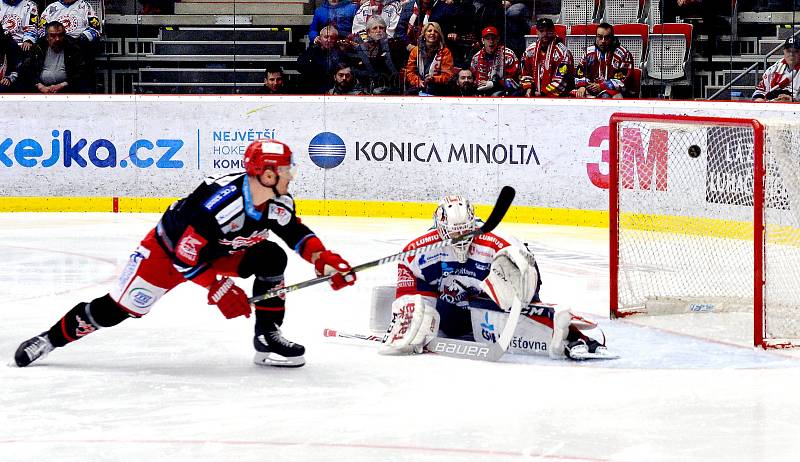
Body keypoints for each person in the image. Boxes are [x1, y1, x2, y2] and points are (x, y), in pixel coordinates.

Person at [14, 139, 357, 369]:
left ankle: (266, 336)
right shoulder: (220, 204)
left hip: (221, 251)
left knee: (271, 257)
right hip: (166, 253)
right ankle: (50, 339)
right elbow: (183, 257)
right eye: (285, 170)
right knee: (120, 308)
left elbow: (293, 230)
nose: (291, 176)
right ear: (266, 173)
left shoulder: (278, 199)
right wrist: (217, 288)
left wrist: (323, 258)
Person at [379, 195, 609, 359]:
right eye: (454, 232)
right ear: (440, 230)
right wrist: (411, 311)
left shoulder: (495, 243)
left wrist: (520, 280)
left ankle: (576, 337)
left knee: (510, 310)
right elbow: (409, 285)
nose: (461, 237)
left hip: (487, 302)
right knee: (435, 313)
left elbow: (526, 267)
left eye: (465, 230)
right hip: (455, 310)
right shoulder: (420, 251)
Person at [20, 21, 88, 93]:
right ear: (47, 37)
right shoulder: (38, 47)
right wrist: (39, 85)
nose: (57, 39)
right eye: (53, 36)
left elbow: (81, 73)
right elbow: (27, 71)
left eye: (60, 35)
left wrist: (62, 85)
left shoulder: (73, 47)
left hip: (67, 90)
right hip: (40, 90)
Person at [572, 23, 634, 99]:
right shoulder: (588, 52)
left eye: (607, 38)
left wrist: (602, 86)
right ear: (596, 37)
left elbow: (623, 81)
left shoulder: (623, 54)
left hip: (615, 92)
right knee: (577, 94)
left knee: (606, 96)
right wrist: (582, 86)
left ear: (612, 38)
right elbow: (580, 74)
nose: (603, 41)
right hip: (592, 89)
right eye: (600, 37)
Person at [519, 17, 574, 97]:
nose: (545, 34)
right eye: (542, 31)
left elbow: (561, 80)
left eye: (548, 31)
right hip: (535, 95)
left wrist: (542, 94)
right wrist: (528, 88)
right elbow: (525, 73)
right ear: (537, 32)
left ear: (554, 31)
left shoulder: (562, 52)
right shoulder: (529, 51)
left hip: (558, 96)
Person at [350, 16, 401, 94]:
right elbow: (355, 70)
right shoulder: (360, 49)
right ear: (368, 32)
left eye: (381, 28)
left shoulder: (394, 45)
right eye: (375, 28)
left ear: (385, 30)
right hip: (367, 89)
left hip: (391, 89)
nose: (378, 31)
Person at [403, 21, 454, 95]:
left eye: (436, 31)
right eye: (429, 31)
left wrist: (433, 79)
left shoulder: (445, 52)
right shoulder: (415, 51)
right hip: (418, 86)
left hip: (438, 87)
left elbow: (448, 75)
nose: (432, 33)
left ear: (439, 35)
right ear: (424, 34)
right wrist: (417, 81)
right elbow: (410, 72)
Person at [469, 25, 519, 96]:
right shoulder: (476, 58)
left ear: (498, 39)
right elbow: (473, 78)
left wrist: (494, 83)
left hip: (504, 92)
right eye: (487, 39)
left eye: (493, 38)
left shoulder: (508, 55)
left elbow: (515, 81)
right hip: (481, 92)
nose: (491, 41)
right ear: (483, 40)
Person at [297, 25, 346, 93]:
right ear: (320, 38)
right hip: (313, 88)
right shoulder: (312, 50)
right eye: (326, 37)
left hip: (334, 90)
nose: (329, 40)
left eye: (332, 38)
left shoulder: (340, 53)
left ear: (336, 40)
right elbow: (300, 66)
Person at [753, 37, 800, 102]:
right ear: (784, 52)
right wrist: (760, 98)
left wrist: (792, 100)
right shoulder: (775, 68)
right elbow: (760, 90)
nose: (791, 54)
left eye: (796, 51)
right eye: (788, 51)